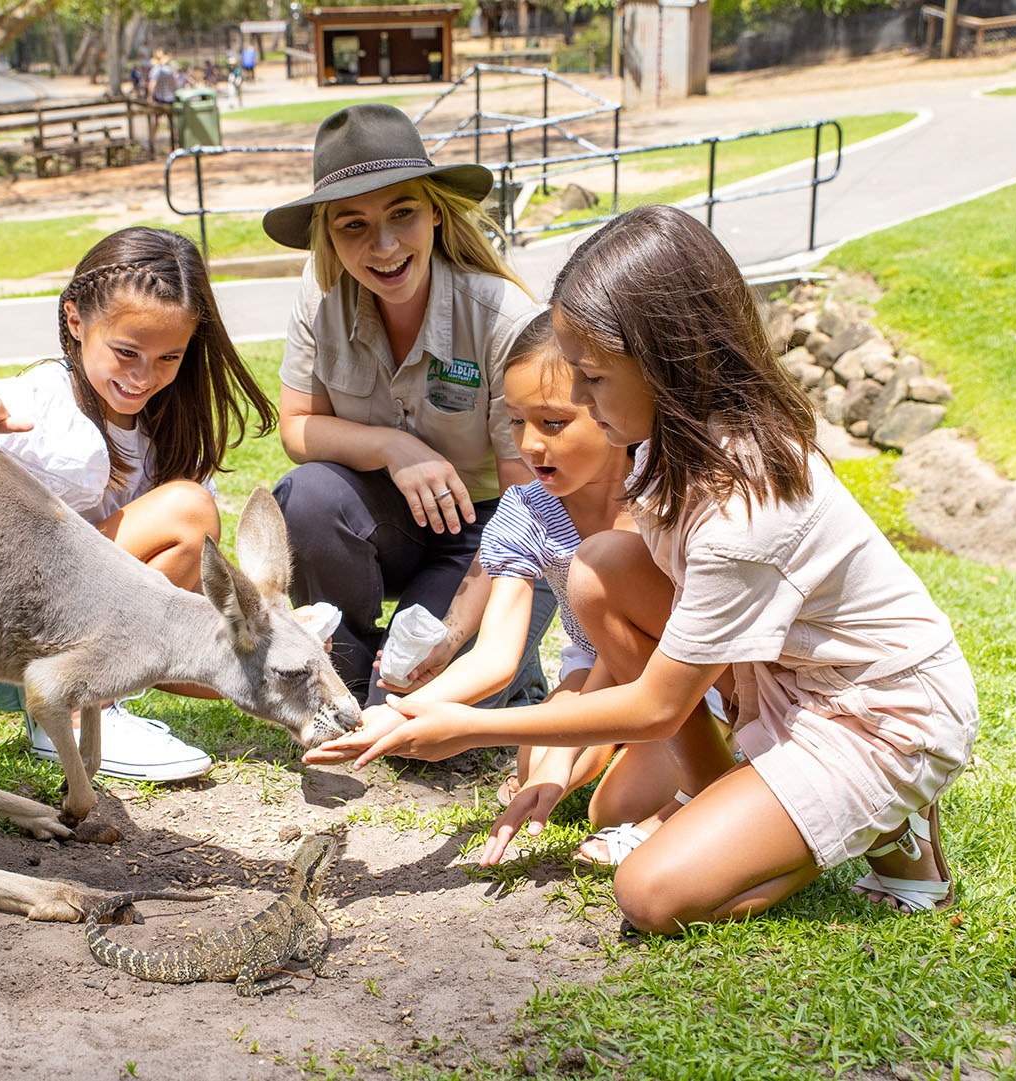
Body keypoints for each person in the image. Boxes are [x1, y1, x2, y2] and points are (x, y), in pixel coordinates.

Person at [346, 205, 980, 934]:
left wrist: (471, 727)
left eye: (591, 379)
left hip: (876, 712)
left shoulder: (745, 505)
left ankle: (878, 824)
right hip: (773, 679)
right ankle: (738, 802)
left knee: (651, 894)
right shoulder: (662, 441)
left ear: (663, 359)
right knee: (599, 568)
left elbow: (654, 707)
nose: (580, 402)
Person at [303, 311, 733, 866]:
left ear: (605, 412)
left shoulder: (651, 493)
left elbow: (623, 652)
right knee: (541, 769)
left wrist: (561, 752)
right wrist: (395, 713)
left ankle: (730, 748)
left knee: (608, 806)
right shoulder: (526, 508)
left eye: (552, 423)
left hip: (690, 672)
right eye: (514, 422)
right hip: (598, 668)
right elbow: (496, 657)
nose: (528, 445)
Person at [0, 226, 277, 782]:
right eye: (126, 352)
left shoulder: (168, 428)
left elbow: (180, 599)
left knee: (243, 650)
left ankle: (97, 704)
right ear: (75, 320)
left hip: (61, 631)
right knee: (187, 512)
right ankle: (69, 715)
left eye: (169, 357)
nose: (144, 376)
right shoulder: (32, 402)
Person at [263, 103, 556, 711]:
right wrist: (396, 449)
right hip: (381, 523)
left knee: (414, 716)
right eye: (353, 226)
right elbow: (297, 427)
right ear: (326, 234)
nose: (385, 245)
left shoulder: (504, 318)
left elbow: (532, 506)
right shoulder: (318, 300)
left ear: (437, 214)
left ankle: (508, 670)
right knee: (308, 495)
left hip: (490, 533)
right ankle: (342, 671)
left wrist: (452, 637)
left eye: (403, 213)